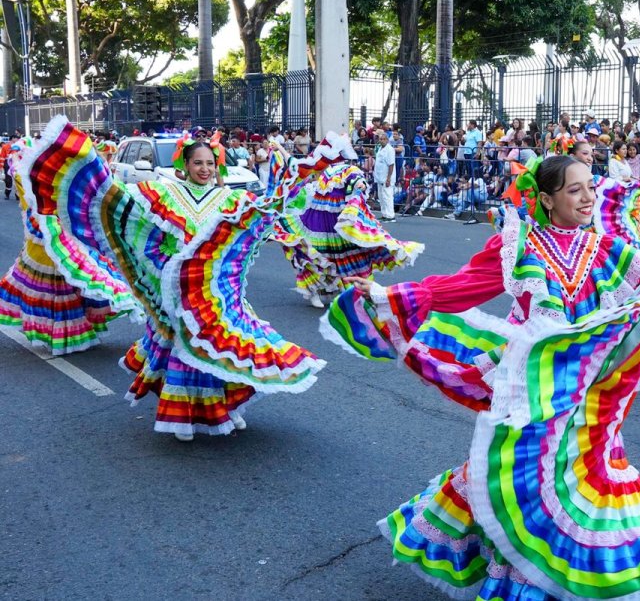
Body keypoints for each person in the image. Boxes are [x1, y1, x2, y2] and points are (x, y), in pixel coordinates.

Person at [326, 155, 640, 601]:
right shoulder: (519, 245)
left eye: (590, 187)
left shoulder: (607, 250)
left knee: (584, 476)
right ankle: (522, 575)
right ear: (547, 198)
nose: (588, 198)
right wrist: (395, 296)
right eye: (574, 190)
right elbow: (464, 285)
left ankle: (568, 574)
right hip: (531, 384)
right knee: (526, 475)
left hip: (586, 390)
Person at [20, 118, 343, 440]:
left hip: (219, 292)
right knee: (185, 348)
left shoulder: (232, 199)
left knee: (228, 343)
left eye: (210, 163)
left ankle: (227, 407)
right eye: (198, 163)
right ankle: (186, 416)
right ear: (185, 165)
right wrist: (87, 170)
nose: (204, 169)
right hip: (176, 291)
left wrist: (308, 173)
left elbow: (270, 209)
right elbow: (121, 205)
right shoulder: (164, 193)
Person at [0, 140, 131, 354]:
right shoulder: (34, 182)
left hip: (67, 245)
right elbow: (21, 181)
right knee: (58, 290)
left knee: (72, 288)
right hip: (45, 247)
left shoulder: (70, 180)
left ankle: (67, 334)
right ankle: (62, 335)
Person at [274, 136, 422, 309]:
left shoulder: (349, 170)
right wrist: (279, 147)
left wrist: (361, 186)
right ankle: (315, 291)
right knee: (318, 255)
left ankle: (353, 292)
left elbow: (357, 181)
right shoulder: (322, 170)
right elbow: (295, 164)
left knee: (346, 255)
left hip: (337, 222)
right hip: (317, 222)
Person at [373, 131, 397, 221]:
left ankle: (390, 216)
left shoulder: (390, 150)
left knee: (387, 196)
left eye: (383, 139)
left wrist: (388, 178)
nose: (382, 141)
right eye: (380, 139)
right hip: (380, 177)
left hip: (387, 177)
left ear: (387, 140)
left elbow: (391, 165)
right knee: (381, 197)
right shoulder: (380, 148)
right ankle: (384, 214)